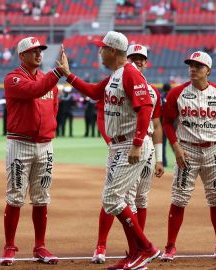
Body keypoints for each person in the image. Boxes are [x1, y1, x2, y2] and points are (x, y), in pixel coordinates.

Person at [57, 31, 161, 270]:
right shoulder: (116, 75)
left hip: (130, 144)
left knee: (113, 199)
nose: (99, 52)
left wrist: (136, 143)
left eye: (102, 48)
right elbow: (94, 93)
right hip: (119, 145)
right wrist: (67, 75)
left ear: (113, 51)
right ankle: (135, 253)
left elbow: (145, 108)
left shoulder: (130, 74)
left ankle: (146, 248)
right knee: (117, 199)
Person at [91, 44, 165, 265]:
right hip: (129, 144)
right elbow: (102, 112)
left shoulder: (152, 90)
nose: (138, 61)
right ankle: (133, 249)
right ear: (126, 58)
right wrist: (112, 141)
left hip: (144, 145)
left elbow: (157, 124)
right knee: (121, 197)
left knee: (139, 198)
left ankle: (138, 253)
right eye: (134, 57)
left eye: (142, 58)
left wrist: (160, 157)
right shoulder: (117, 79)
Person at [160, 51, 216, 262]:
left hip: (213, 150)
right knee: (179, 198)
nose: (193, 69)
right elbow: (166, 121)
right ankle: (170, 246)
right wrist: (175, 147)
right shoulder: (178, 93)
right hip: (188, 150)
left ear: (208, 70)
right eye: (191, 65)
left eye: (198, 66)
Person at [0, 36, 65, 266]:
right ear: (22, 56)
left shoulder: (48, 82)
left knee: (41, 197)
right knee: (15, 195)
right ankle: (9, 246)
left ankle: (40, 246)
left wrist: (48, 130)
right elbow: (35, 90)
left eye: (41, 50)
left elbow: (53, 108)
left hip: (45, 144)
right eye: (34, 51)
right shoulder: (13, 78)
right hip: (20, 143)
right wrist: (58, 73)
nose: (39, 54)